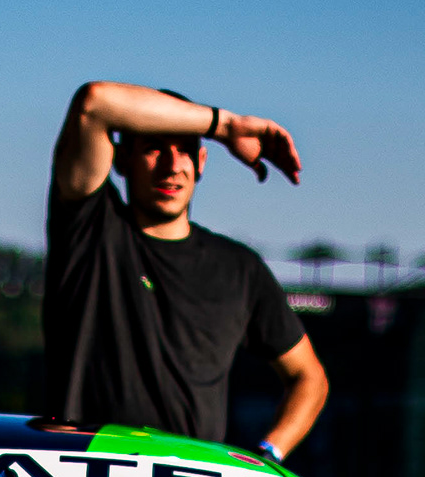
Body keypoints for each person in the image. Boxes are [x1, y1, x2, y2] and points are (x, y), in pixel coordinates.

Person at [41, 81, 330, 455]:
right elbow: (94, 103)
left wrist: (266, 455)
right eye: (154, 147)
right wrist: (225, 126)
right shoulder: (89, 228)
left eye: (185, 149)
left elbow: (309, 377)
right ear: (122, 160)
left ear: (201, 163)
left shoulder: (240, 269)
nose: (172, 165)